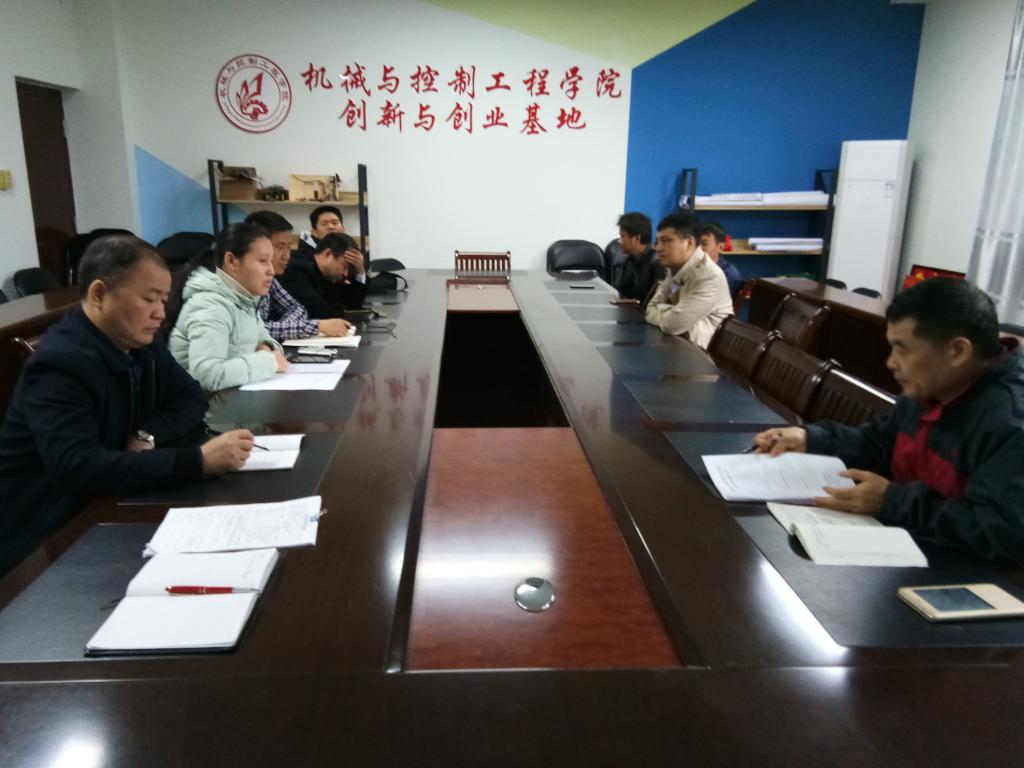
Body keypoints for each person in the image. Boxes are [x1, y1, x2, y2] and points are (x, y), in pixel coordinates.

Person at [0, 236, 255, 578]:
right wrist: (197, 461)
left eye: (163, 299)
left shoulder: (140, 341)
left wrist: (147, 435)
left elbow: (190, 397)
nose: (160, 313)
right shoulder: (59, 364)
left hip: (111, 500)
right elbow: (77, 467)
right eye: (149, 299)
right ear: (99, 294)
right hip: (45, 536)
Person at [755, 278, 1024, 564]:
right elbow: (879, 443)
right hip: (905, 546)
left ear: (957, 351)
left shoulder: (1010, 422)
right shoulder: (932, 387)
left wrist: (891, 501)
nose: (891, 363)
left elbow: (1006, 533)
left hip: (963, 574)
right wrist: (811, 438)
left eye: (902, 349)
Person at [167, 223, 288, 391]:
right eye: (263, 261)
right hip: (205, 403)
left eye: (270, 261)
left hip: (230, 396)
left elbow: (266, 340)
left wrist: (266, 347)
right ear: (231, 261)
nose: (271, 271)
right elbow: (207, 375)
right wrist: (268, 361)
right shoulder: (210, 305)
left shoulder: (244, 299)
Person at [244, 211, 352, 342]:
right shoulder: (237, 285)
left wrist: (285, 328)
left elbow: (297, 309)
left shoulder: (270, 279)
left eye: (288, 247)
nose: (286, 256)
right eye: (280, 247)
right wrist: (316, 326)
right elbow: (251, 331)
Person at [644, 210, 734, 348]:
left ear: (689, 243)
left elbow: (672, 325)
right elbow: (650, 308)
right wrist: (670, 312)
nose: (659, 248)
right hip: (677, 346)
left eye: (666, 241)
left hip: (703, 355)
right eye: (658, 241)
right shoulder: (675, 268)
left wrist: (664, 311)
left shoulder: (709, 277)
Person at [279, 232, 368, 318]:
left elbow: (352, 303)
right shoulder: (297, 269)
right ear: (328, 254)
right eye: (344, 267)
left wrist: (360, 272)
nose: (346, 274)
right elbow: (318, 310)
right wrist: (342, 309)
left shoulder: (327, 274)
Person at [614, 212, 662, 306]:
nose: (619, 241)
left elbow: (655, 302)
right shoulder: (629, 260)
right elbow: (621, 292)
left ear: (636, 238)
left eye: (622, 236)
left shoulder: (657, 264)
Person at [698, 221, 744, 298]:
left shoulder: (729, 275)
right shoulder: (696, 267)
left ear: (721, 247)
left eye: (704, 244)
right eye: (697, 244)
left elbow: (707, 301)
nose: (698, 248)